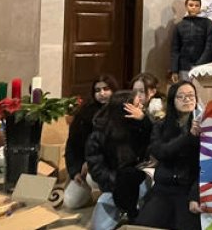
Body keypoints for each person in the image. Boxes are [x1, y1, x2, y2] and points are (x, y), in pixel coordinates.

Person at [135, 82, 202, 229]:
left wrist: (195, 196)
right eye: (181, 96)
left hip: (188, 190)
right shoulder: (160, 125)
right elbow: (160, 152)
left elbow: (206, 165)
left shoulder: (205, 127)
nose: (187, 100)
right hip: (163, 188)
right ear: (173, 100)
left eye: (191, 96)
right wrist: (188, 137)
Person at [86, 90, 151, 228]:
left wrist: (143, 121)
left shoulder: (140, 127)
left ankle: (134, 211)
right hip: (114, 184)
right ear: (125, 108)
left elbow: (155, 141)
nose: (141, 108)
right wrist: (118, 183)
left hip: (139, 181)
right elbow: (96, 167)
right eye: (137, 104)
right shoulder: (100, 133)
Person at [63, 74, 117, 210]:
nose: (102, 93)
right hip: (84, 167)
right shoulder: (84, 113)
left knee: (92, 178)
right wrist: (74, 172)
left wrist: (92, 161)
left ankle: (115, 198)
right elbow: (72, 146)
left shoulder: (120, 110)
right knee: (70, 201)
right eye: (98, 90)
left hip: (109, 166)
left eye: (106, 89)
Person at [170, 0, 212, 83]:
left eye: (196, 5)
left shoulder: (207, 24)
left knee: (202, 94)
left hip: (203, 66)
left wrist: (201, 63)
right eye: (191, 5)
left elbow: (210, 46)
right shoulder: (179, 26)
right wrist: (174, 70)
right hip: (184, 66)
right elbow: (175, 50)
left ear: (200, 7)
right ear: (186, 6)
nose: (194, 8)